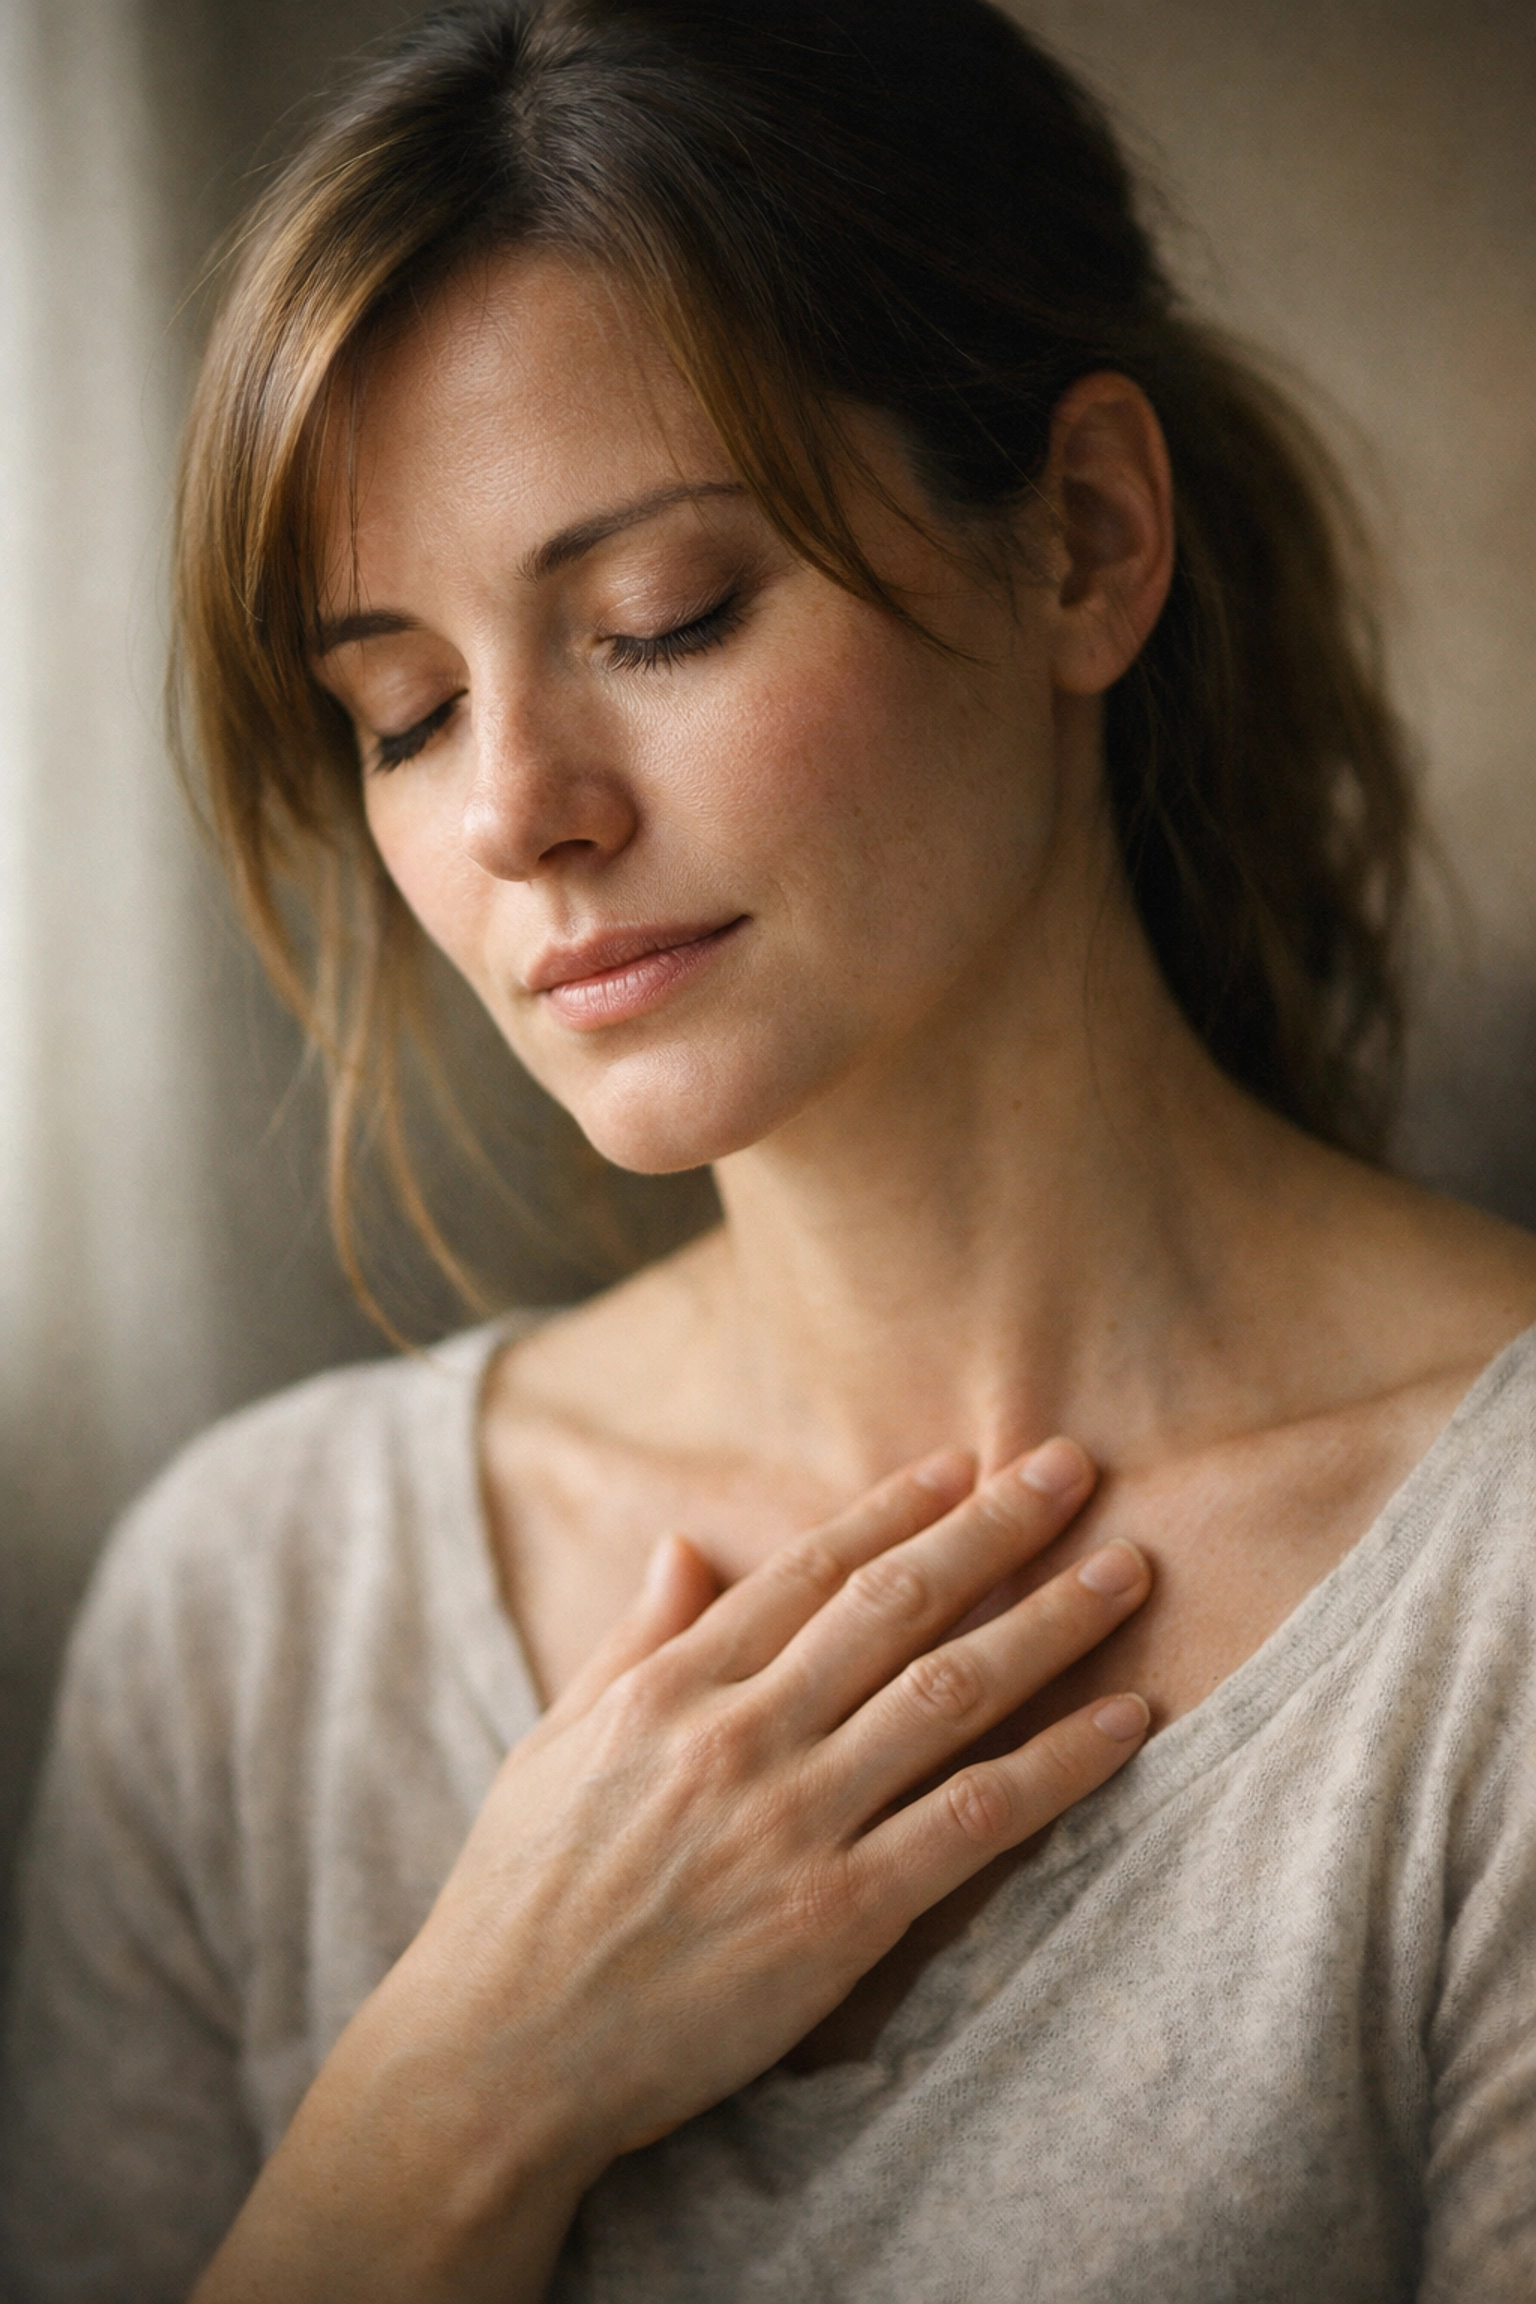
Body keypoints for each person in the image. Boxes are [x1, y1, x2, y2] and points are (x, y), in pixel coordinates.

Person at [4, 0, 1535, 2295]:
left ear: (1087, 547)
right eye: (401, 714)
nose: (516, 810)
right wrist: (453, 2102)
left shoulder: (1494, 1600)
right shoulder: (247, 1624)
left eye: (663, 617)